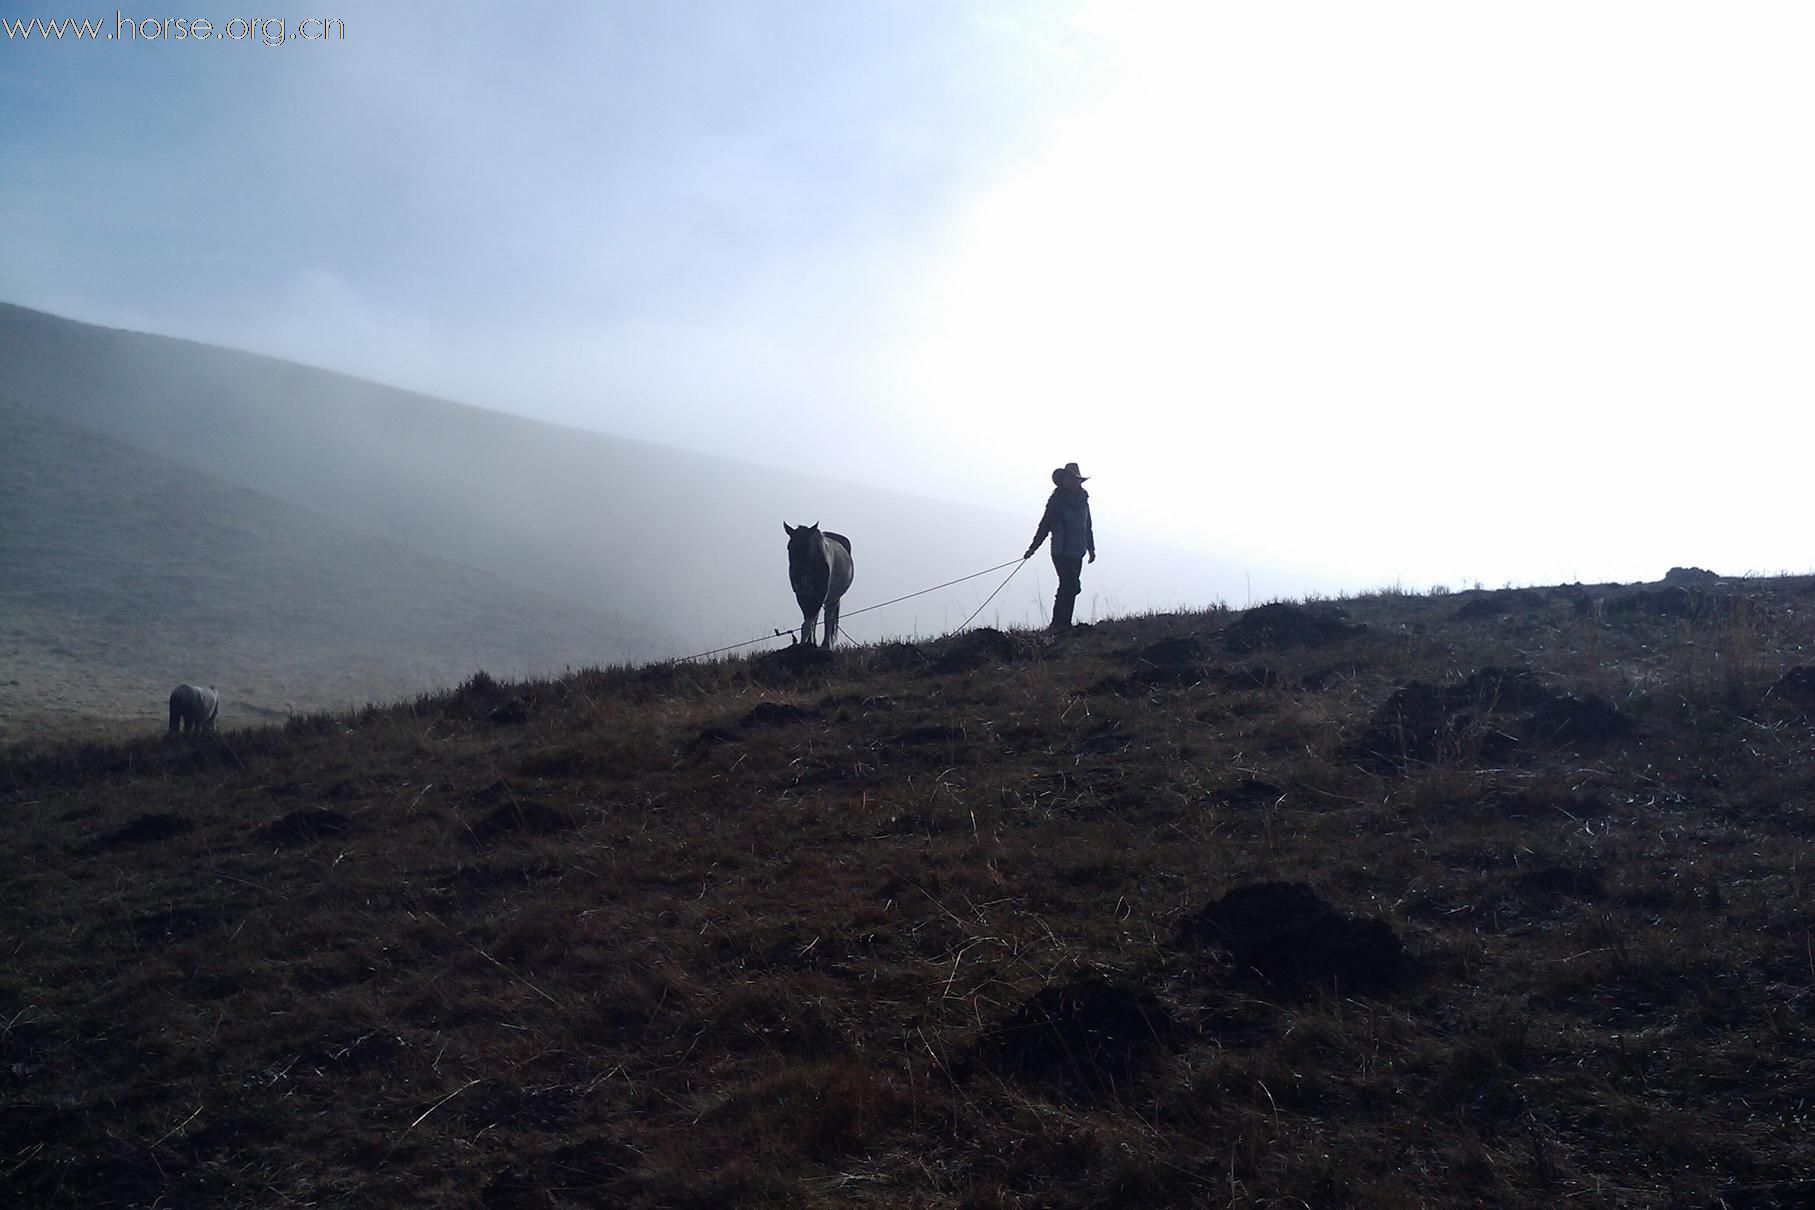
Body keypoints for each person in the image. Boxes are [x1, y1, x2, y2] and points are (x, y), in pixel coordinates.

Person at [1023, 462, 1096, 629]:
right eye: (1070, 479)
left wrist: (1091, 548)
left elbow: (1087, 526)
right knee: (1069, 584)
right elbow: (1045, 526)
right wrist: (1033, 548)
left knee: (1071, 586)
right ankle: (1058, 624)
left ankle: (1063, 624)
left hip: (1077, 551)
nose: (1073, 482)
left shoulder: (1083, 501)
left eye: (1075, 479)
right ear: (1063, 480)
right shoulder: (1057, 502)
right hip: (1060, 551)